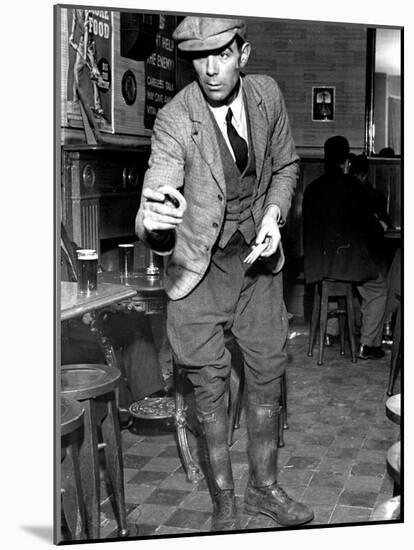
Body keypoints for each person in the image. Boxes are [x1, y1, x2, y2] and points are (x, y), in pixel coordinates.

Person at [135, 16, 313, 531]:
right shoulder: (175, 119)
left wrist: (274, 217)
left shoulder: (266, 97)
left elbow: (285, 167)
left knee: (267, 372)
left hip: (257, 267)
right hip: (198, 270)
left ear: (244, 53)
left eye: (222, 54)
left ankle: (264, 489)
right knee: (209, 389)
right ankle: (226, 503)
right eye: (199, 57)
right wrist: (157, 222)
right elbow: (159, 191)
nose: (210, 70)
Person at [60, 224, 167, 417]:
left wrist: (108, 297)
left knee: (134, 320)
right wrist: (85, 311)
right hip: (65, 326)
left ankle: (149, 401)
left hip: (87, 310)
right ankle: (121, 411)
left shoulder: (58, 230)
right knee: (105, 335)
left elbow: (79, 257)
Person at [302, 136, 388, 360]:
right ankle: (368, 345)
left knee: (332, 281)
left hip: (318, 267)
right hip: (346, 265)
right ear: (346, 161)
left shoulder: (311, 190)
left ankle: (330, 333)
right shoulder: (354, 187)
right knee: (379, 287)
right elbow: (370, 228)